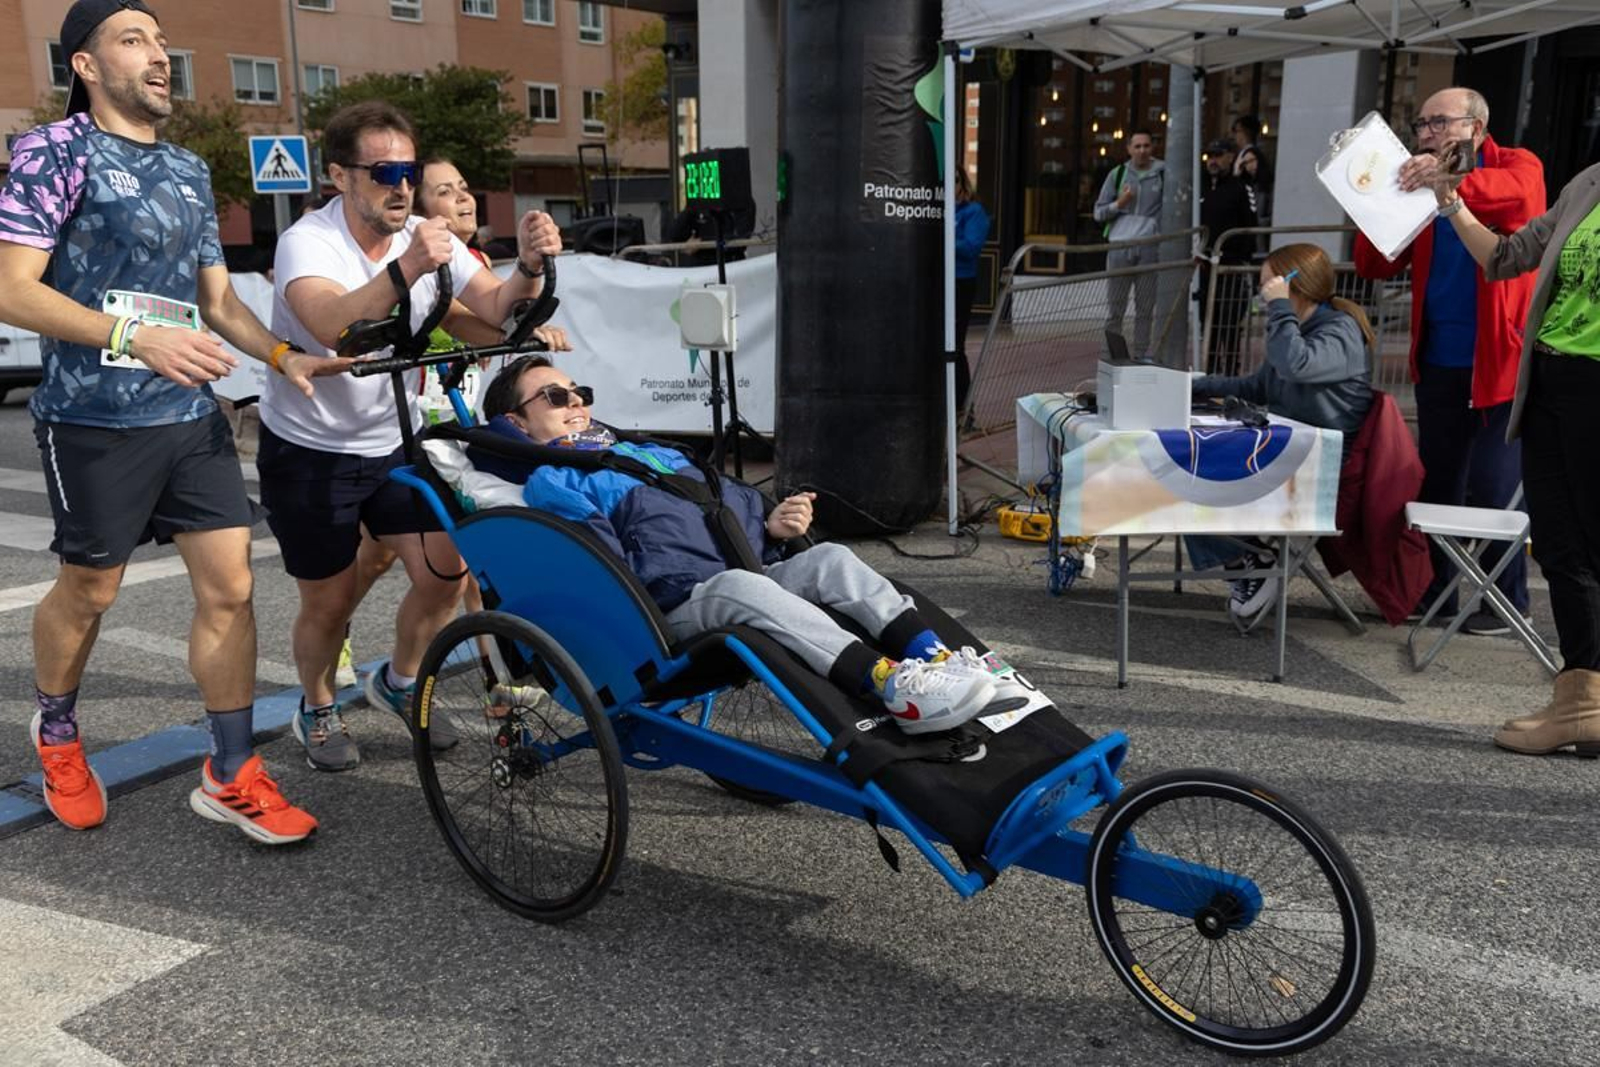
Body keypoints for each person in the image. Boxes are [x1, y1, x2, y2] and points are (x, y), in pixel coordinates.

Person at [0, 0, 338, 841]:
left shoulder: (188, 168)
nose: (159, 56)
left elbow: (217, 301)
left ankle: (230, 772)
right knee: (93, 588)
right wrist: (131, 334)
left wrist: (283, 358)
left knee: (231, 584)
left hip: (190, 412)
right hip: (92, 417)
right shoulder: (54, 151)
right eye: (132, 39)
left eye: (159, 40)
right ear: (84, 64)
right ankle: (57, 730)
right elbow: (13, 287)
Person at [475, 356, 1040, 734]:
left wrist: (771, 531)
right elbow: (598, 567)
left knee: (830, 560)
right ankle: (890, 684)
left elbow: (723, 507)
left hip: (734, 577)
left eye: (579, 391)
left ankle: (933, 657)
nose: (575, 401)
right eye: (554, 396)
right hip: (663, 613)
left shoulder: (648, 452)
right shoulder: (556, 480)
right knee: (742, 586)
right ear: (517, 423)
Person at [261, 101, 564, 773]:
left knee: (445, 570)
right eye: (384, 170)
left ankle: (399, 681)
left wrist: (531, 267)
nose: (401, 184)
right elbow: (331, 326)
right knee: (331, 599)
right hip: (312, 448)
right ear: (341, 175)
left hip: (392, 438)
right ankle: (315, 704)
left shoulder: (426, 234)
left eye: (409, 169)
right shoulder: (309, 243)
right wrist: (405, 271)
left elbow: (490, 305)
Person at [1416, 134, 1600, 755]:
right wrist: (1450, 201)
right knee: (1559, 544)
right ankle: (1581, 702)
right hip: (1549, 381)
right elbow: (1507, 256)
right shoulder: (1589, 182)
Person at [1355, 88, 1545, 637]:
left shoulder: (1515, 165)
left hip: (1501, 362)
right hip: (1439, 360)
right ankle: (1436, 591)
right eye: (1421, 124)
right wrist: (1369, 202)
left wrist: (1445, 184)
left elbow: (1520, 199)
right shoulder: (1418, 184)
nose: (1427, 133)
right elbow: (1373, 265)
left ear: (1478, 126)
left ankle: (1506, 602)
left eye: (1440, 123)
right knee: (1438, 483)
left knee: (1492, 484)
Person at [1186, 243, 1376, 622]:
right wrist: (1192, 385)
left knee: (1197, 476)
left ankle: (1247, 557)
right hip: (1283, 453)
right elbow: (1260, 386)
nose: (1263, 291)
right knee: (1186, 467)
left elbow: (1295, 366)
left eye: (1268, 283)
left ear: (1294, 284)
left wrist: (1279, 309)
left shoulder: (1340, 332)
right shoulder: (1293, 327)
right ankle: (1246, 557)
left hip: (1316, 469)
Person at [1093, 130, 1165, 359]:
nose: (1142, 151)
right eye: (1137, 146)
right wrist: (1120, 203)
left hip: (1148, 247)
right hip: (1119, 247)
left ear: (1152, 147)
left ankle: (1141, 355)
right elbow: (1099, 213)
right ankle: (1112, 356)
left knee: (1145, 309)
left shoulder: (1163, 173)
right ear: (1129, 149)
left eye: (1146, 145)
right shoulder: (1118, 174)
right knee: (1116, 309)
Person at [1199, 139, 1259, 376]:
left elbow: (1250, 227)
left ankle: (1231, 375)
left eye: (1218, 154)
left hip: (1232, 267)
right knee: (1210, 324)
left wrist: (1241, 259)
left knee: (1231, 325)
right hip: (1207, 267)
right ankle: (1211, 371)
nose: (1213, 160)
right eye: (1209, 155)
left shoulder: (1240, 188)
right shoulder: (1203, 187)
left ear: (1230, 157)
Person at [952, 167, 991, 411]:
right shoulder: (940, 209)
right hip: (937, 280)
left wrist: (944, 235)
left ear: (963, 182)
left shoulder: (973, 211)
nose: (950, 186)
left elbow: (971, 247)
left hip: (960, 280)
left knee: (955, 345)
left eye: (955, 180)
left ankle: (964, 408)